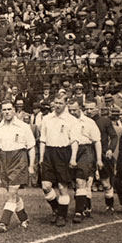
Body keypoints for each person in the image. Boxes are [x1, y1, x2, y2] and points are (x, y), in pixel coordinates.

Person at [0, 101, 36, 232]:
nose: (6, 112)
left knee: (12, 192)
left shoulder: (23, 127)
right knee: (12, 193)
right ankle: (24, 218)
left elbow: (31, 147)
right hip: (4, 160)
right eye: (4, 110)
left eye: (9, 109)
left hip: (19, 159)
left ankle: (3, 223)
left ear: (14, 110)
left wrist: (31, 165)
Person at [38, 95, 78, 227]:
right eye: (56, 103)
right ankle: (56, 209)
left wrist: (73, 157)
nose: (58, 105)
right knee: (46, 186)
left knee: (62, 187)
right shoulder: (46, 118)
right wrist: (41, 157)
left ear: (66, 104)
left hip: (63, 152)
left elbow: (74, 141)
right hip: (49, 152)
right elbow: (43, 139)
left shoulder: (71, 120)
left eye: (61, 103)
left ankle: (62, 215)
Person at [67, 100, 102, 222]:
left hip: (85, 150)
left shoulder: (89, 122)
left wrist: (99, 159)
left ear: (80, 108)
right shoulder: (67, 121)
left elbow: (97, 141)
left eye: (74, 110)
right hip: (69, 150)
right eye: (70, 110)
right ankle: (85, 205)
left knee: (80, 180)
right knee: (75, 183)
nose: (72, 112)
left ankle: (78, 212)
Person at [88, 102, 118, 212]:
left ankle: (109, 206)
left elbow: (114, 136)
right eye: (87, 109)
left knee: (105, 182)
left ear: (97, 108)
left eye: (91, 108)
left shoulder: (105, 121)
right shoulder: (83, 121)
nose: (89, 111)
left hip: (103, 154)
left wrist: (111, 149)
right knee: (87, 182)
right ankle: (87, 207)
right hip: (88, 154)